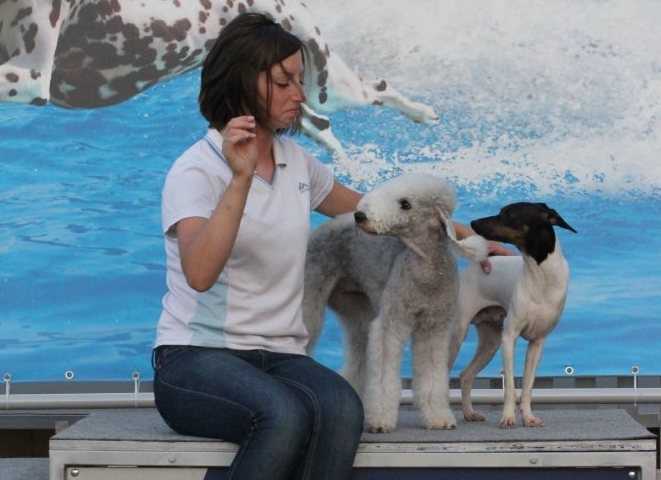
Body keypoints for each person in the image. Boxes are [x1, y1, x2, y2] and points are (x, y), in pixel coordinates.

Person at [151, 12, 509, 480]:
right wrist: (240, 179)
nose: (299, 95)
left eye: (300, 80)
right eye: (283, 82)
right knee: (283, 417)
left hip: (280, 357)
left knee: (342, 410)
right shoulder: (196, 170)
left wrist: (469, 238)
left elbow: (374, 210)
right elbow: (199, 273)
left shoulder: (296, 162)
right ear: (241, 82)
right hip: (195, 358)